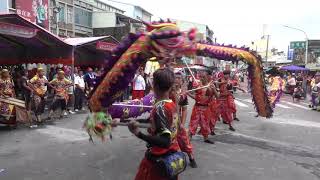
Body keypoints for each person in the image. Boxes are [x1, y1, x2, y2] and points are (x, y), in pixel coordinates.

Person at [128, 68, 183, 180]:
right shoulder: (171, 105)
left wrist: (138, 134)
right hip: (172, 157)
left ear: (155, 86)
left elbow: (165, 141)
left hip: (159, 160)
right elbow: (155, 123)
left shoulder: (160, 108)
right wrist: (131, 122)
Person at [171, 72, 197, 168]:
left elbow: (184, 110)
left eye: (179, 78)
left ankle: (191, 157)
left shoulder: (183, 95)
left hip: (177, 120)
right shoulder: (168, 92)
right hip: (167, 119)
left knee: (184, 140)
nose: (177, 80)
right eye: (175, 78)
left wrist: (182, 123)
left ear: (182, 81)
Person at [188, 72, 215, 144]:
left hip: (206, 108)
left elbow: (217, 96)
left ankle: (206, 138)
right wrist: (188, 93)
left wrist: (214, 90)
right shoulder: (198, 86)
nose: (202, 79)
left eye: (204, 77)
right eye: (201, 77)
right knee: (193, 123)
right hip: (197, 107)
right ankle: (189, 138)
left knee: (205, 124)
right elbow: (196, 98)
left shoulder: (211, 86)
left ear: (207, 77)